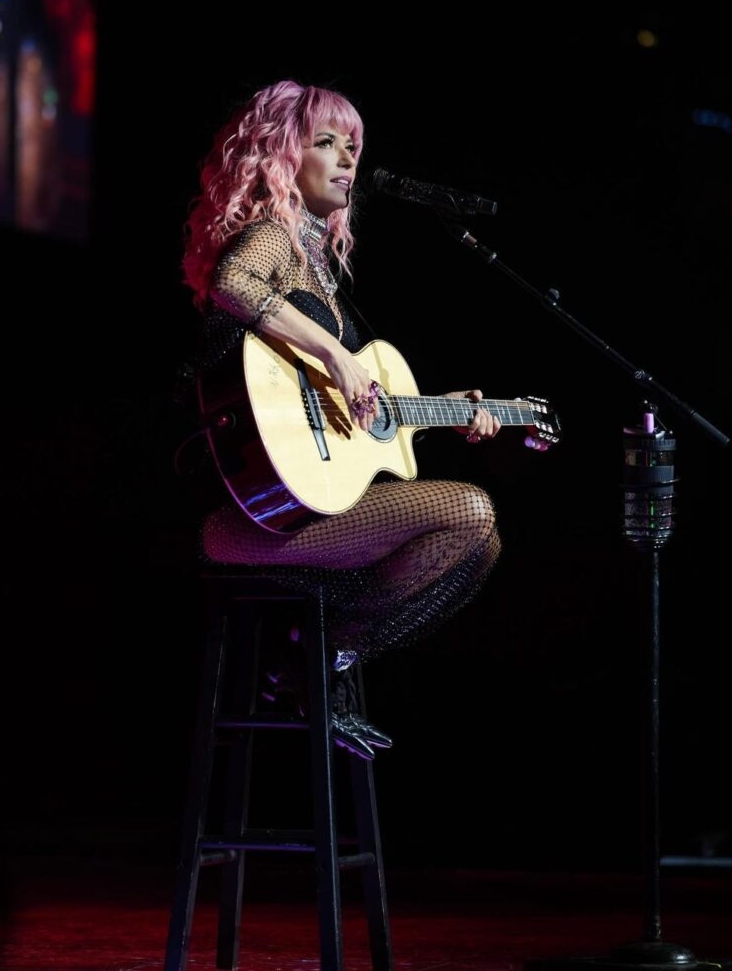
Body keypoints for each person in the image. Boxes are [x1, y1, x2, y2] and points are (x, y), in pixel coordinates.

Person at [179, 79, 502, 759]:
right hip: (241, 518)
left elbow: (358, 413)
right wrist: (336, 353)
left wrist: (457, 412)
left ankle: (316, 659)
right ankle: (309, 660)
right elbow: (232, 283)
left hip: (298, 512)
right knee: (468, 513)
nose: (346, 158)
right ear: (277, 155)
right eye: (325, 142)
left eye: (351, 145)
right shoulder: (273, 236)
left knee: (478, 543)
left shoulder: (321, 265)